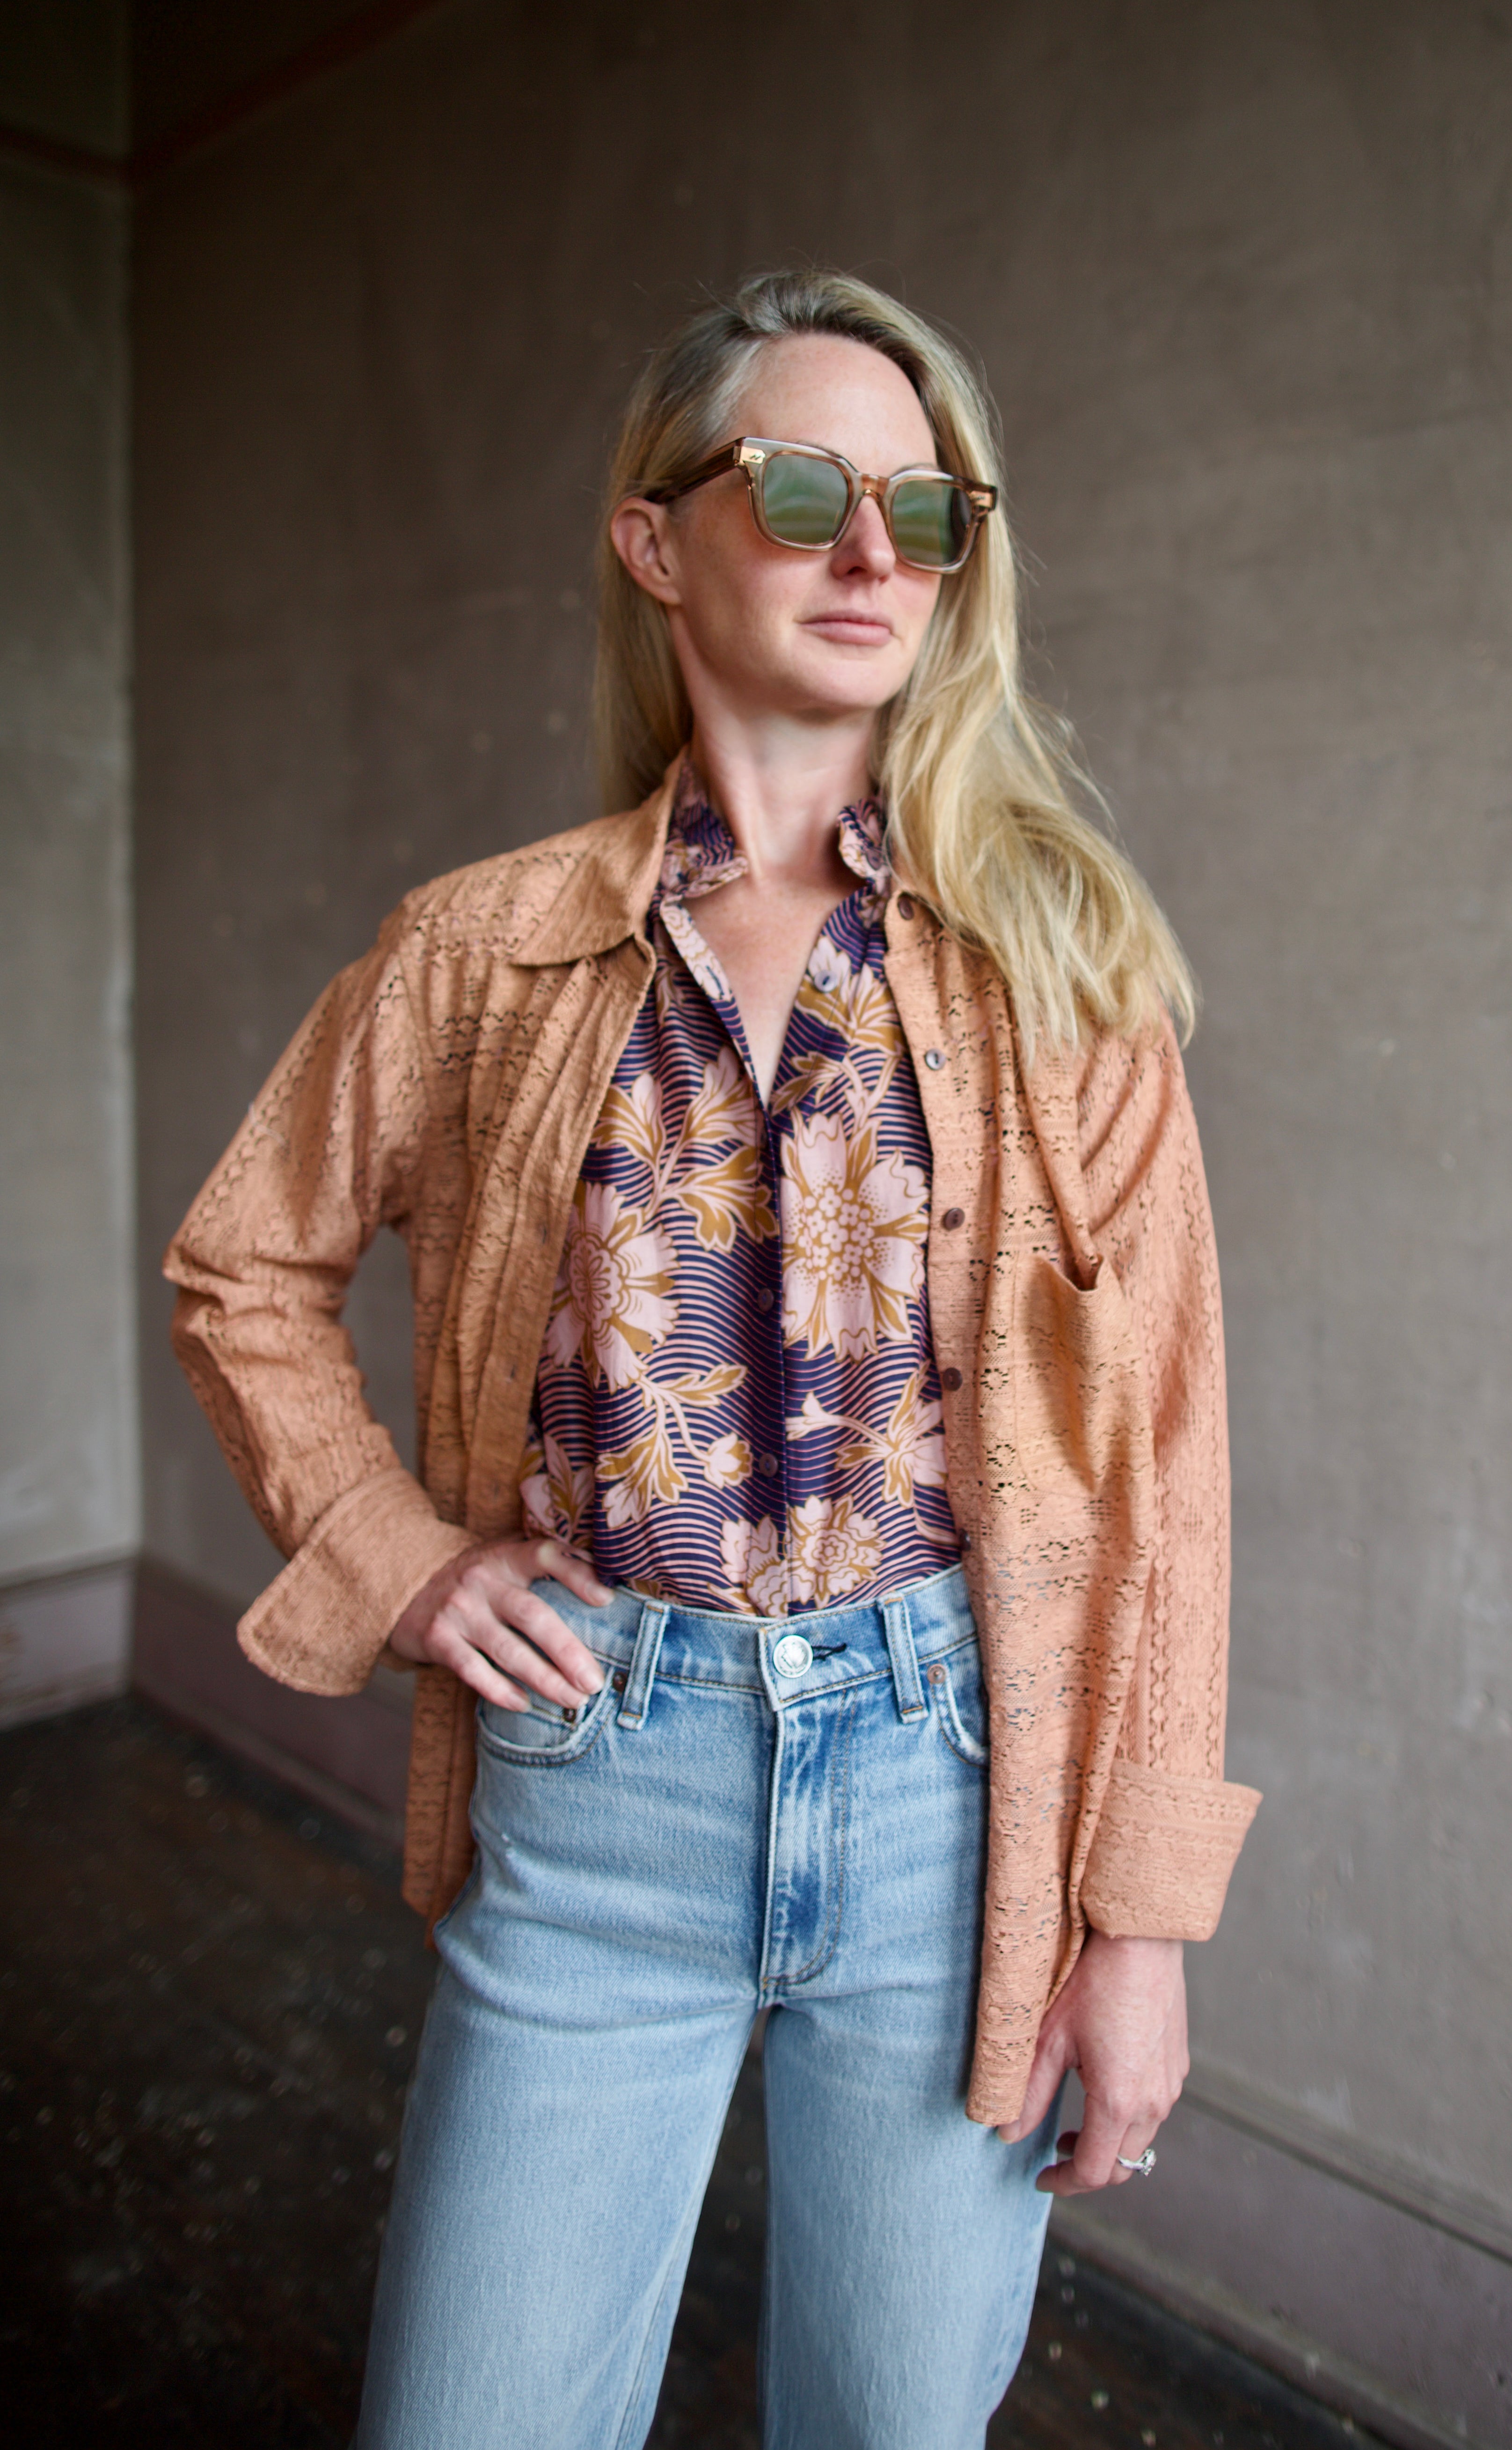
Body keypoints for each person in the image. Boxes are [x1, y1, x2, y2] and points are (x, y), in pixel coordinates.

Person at [166, 269, 1260, 2449]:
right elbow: (242, 1270)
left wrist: (1138, 1928)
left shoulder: (1059, 972)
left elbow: (1168, 1458)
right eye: (801, 489)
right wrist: (400, 1557)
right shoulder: (478, 955)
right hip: (600, 1786)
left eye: (924, 510)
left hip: (952, 1793)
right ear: (653, 539)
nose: (874, 554)